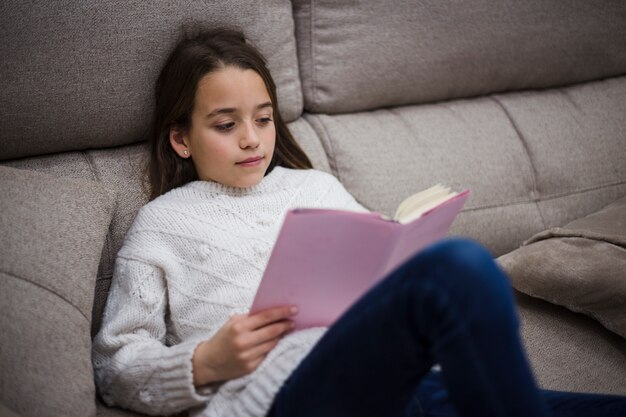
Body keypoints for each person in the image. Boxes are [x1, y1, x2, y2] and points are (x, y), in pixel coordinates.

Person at [92, 28, 626, 417]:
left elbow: (376, 269)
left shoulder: (314, 187)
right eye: (226, 125)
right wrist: (206, 360)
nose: (252, 139)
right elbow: (115, 367)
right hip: (278, 396)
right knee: (460, 264)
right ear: (181, 138)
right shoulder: (160, 225)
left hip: (399, 380)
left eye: (262, 119)